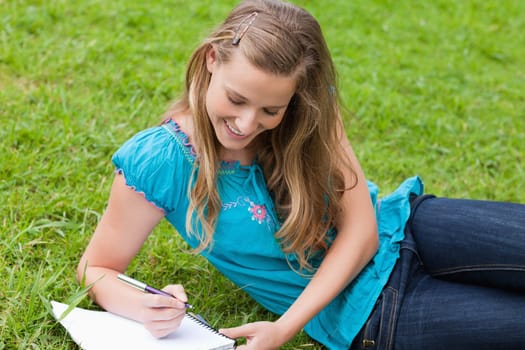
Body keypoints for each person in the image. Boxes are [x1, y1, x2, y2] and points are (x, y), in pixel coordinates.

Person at [77, 0, 525, 349]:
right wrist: (146, 307)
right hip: (371, 312)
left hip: (408, 227)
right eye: (236, 99)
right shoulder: (162, 160)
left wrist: (285, 327)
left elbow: (362, 232)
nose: (248, 123)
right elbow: (96, 268)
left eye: (271, 109)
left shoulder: (308, 111)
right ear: (212, 58)